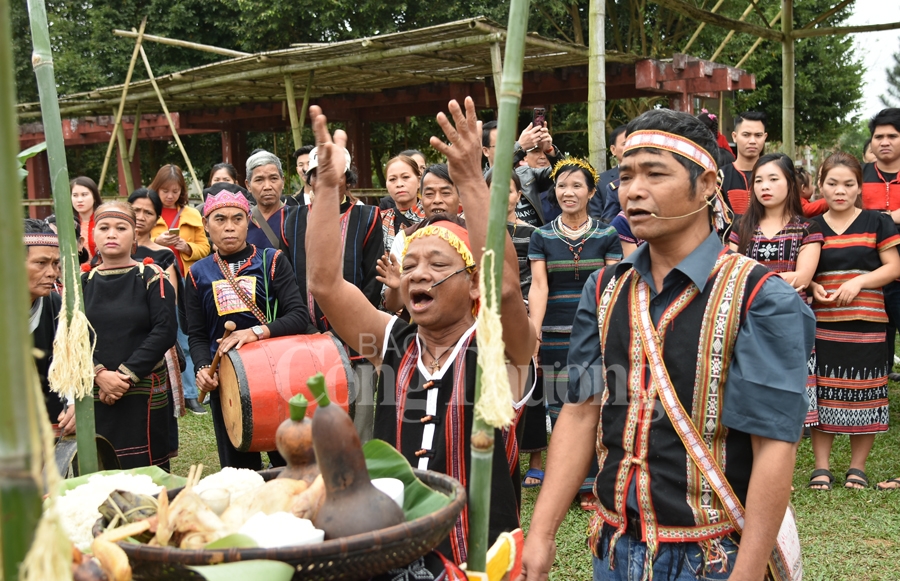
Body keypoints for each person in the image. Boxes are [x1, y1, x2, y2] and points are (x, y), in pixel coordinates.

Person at [520, 109, 814, 581]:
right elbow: (580, 411)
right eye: (627, 174)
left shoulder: (760, 297)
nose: (633, 189)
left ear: (708, 184)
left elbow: (774, 446)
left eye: (656, 173)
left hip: (715, 557)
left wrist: (748, 570)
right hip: (614, 550)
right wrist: (542, 531)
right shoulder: (603, 289)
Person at [306, 98, 536, 570]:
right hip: (397, 556)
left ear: (473, 281)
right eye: (409, 265)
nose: (416, 275)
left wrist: (472, 178)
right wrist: (328, 189)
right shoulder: (393, 344)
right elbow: (325, 284)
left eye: (437, 265)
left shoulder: (501, 350)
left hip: (482, 563)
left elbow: (507, 285)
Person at [187, 190, 312, 470]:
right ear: (206, 225)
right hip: (227, 379)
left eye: (237, 218)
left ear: (249, 222)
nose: (229, 226)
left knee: (290, 460)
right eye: (219, 219)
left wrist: (254, 332)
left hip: (276, 376)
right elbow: (196, 334)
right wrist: (203, 367)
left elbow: (298, 316)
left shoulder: (272, 261)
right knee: (240, 470)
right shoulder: (197, 274)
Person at [528, 158, 622, 507]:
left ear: (591, 192)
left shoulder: (607, 234)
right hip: (553, 334)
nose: (569, 192)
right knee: (557, 408)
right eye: (562, 186)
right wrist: (534, 333)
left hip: (595, 334)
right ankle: (567, 484)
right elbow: (539, 287)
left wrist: (611, 329)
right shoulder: (541, 236)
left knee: (592, 403)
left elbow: (613, 285)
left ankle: (593, 485)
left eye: (577, 186)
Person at [805, 152, 900, 491]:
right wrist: (814, 285)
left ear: (860, 187)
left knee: (869, 390)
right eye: (832, 183)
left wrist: (859, 281)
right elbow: (808, 270)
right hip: (824, 319)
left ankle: (857, 468)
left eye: (848, 184)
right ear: (820, 185)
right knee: (823, 391)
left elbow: (893, 267)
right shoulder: (811, 226)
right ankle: (822, 468)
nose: (840, 190)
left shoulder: (878, 222)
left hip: (869, 320)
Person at [729, 153, 823, 427]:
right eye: (758, 180)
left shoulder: (807, 228)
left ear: (790, 184)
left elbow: (802, 277)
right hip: (748, 317)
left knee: (790, 384)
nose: (764, 186)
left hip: (791, 318)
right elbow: (731, 272)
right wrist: (779, 278)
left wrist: (754, 278)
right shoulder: (742, 226)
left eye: (773, 179)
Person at [83, 202, 178, 469]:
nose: (111, 234)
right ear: (93, 235)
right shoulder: (81, 283)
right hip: (96, 389)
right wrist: (100, 375)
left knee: (145, 475)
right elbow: (72, 337)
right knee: (100, 472)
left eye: (121, 228)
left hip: (141, 387)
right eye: (104, 228)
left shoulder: (152, 276)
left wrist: (124, 376)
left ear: (135, 236)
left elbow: (164, 330)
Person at [283, 144, 383, 332]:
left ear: (347, 180)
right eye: (319, 175)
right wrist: (304, 326)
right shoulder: (292, 220)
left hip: (356, 328)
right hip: (305, 331)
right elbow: (287, 281)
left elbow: (373, 278)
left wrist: (355, 321)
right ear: (310, 180)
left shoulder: (367, 217)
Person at [129, 187, 195, 421]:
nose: (140, 216)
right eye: (135, 210)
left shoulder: (163, 254)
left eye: (148, 212)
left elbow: (170, 297)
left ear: (157, 218)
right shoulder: (110, 252)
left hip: (151, 330)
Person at [379, 163, 462, 313]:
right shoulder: (406, 237)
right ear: (421, 199)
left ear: (460, 197)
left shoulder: (473, 235)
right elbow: (392, 305)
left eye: (445, 193)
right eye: (429, 194)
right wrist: (397, 288)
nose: (437, 200)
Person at [25, 219, 74, 434]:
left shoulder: (55, 305)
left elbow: (69, 364)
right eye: (41, 263)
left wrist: (74, 404)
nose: (52, 273)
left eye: (55, 264)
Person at [150, 163, 210, 275]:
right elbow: (134, 245)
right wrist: (156, 242)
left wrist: (187, 247)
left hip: (186, 278)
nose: (170, 196)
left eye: (175, 191)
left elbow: (205, 248)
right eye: (165, 191)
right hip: (155, 276)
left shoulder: (192, 214)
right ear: (157, 189)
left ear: (181, 190)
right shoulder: (147, 213)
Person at [514, 122, 560, 227]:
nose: (543, 156)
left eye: (544, 152)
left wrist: (550, 150)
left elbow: (564, 173)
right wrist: (520, 147)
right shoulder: (485, 178)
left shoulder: (532, 175)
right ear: (524, 156)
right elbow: (496, 175)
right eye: (536, 151)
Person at [722, 111, 768, 216]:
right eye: (746, 135)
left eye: (758, 135)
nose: (752, 141)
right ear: (734, 136)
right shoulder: (721, 176)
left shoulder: (775, 176)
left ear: (765, 137)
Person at [380, 155, 426, 253]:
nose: (399, 184)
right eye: (392, 179)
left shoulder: (432, 218)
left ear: (419, 181)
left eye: (405, 177)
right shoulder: (379, 220)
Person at [244, 150, 288, 251]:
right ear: (248, 185)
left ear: (283, 182)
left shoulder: (295, 219)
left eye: (273, 178)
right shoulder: (243, 222)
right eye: (259, 180)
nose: (267, 187)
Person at [590, 125, 626, 222]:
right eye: (625, 143)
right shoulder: (600, 181)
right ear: (613, 150)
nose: (630, 147)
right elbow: (596, 219)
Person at [71, 176, 102, 258]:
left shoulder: (104, 220)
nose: (79, 200)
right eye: (75, 195)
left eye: (84, 195)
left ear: (94, 197)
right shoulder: (66, 223)